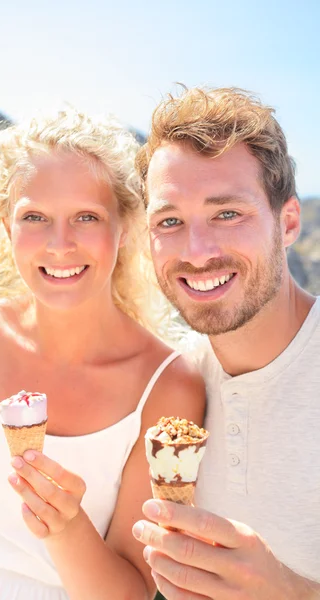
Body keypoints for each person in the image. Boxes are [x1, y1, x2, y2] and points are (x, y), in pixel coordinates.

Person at [0, 109, 205, 600]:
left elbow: (130, 592)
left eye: (86, 217)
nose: (60, 244)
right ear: (6, 227)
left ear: (125, 229)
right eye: (35, 217)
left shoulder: (167, 387)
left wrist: (67, 526)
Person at [131, 86, 320, 599]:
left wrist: (288, 591)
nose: (197, 252)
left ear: (288, 223)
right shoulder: (172, 381)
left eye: (227, 213)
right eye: (169, 221)